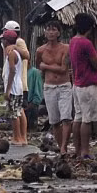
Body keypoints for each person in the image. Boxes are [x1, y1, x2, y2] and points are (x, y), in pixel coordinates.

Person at [35, 20, 73, 154]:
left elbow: (63, 69)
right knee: (55, 120)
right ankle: (60, 145)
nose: (51, 32)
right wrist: (46, 70)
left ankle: (64, 147)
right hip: (49, 87)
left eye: (54, 30)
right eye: (48, 29)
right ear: (44, 32)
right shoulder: (40, 50)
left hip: (64, 86)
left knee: (66, 118)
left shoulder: (65, 48)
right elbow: (38, 67)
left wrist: (46, 67)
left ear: (58, 32)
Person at [69, 12, 97, 159]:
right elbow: (96, 63)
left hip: (77, 84)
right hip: (87, 84)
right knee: (87, 120)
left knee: (78, 117)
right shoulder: (86, 43)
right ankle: (85, 151)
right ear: (89, 28)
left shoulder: (72, 41)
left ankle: (77, 151)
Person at [2, 29, 27, 145]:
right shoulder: (16, 52)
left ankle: (17, 137)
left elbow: (12, 70)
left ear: (6, 41)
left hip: (14, 88)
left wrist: (8, 90)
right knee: (20, 111)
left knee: (14, 114)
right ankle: (23, 137)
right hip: (18, 87)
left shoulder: (11, 53)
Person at [26, 61, 43, 133]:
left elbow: (38, 89)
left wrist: (34, 102)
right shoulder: (19, 72)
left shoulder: (34, 72)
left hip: (31, 103)